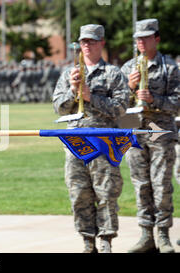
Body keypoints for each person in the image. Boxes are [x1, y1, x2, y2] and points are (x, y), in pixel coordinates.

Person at [52, 24, 129, 253]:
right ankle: (87, 241)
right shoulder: (69, 73)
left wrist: (90, 97)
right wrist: (73, 91)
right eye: (84, 42)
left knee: (106, 192)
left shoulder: (113, 74)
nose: (87, 45)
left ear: (102, 43)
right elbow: (58, 107)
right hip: (76, 143)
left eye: (92, 41)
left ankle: (105, 240)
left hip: (103, 142)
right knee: (78, 193)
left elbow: (121, 108)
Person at [120, 19, 179, 253]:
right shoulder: (127, 68)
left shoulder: (170, 67)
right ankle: (146, 235)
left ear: (157, 39)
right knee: (140, 184)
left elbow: (178, 102)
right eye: (137, 39)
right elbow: (116, 104)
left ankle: (163, 234)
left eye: (145, 38)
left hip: (159, 129)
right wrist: (128, 87)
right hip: (133, 127)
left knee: (161, 183)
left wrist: (155, 100)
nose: (140, 42)